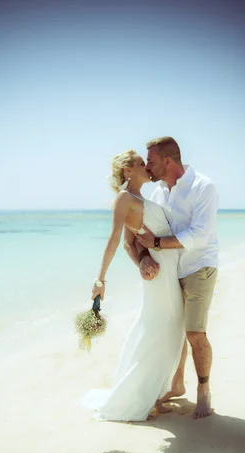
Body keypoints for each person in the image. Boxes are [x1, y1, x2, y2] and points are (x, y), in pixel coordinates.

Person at [82, 149, 185, 422]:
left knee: (169, 329)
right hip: (159, 275)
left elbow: (133, 242)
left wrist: (142, 259)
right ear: (128, 170)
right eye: (142, 163)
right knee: (159, 329)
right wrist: (100, 279)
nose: (147, 166)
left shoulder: (141, 198)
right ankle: (140, 395)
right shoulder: (124, 199)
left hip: (169, 269)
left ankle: (153, 392)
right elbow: (117, 239)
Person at [134, 136, 219, 419]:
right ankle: (177, 383)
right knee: (173, 331)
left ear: (167, 161)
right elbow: (139, 234)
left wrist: (156, 244)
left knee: (194, 332)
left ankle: (204, 391)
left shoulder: (203, 186)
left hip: (198, 266)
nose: (147, 166)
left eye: (151, 160)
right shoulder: (158, 192)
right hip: (169, 271)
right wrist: (145, 257)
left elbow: (199, 235)